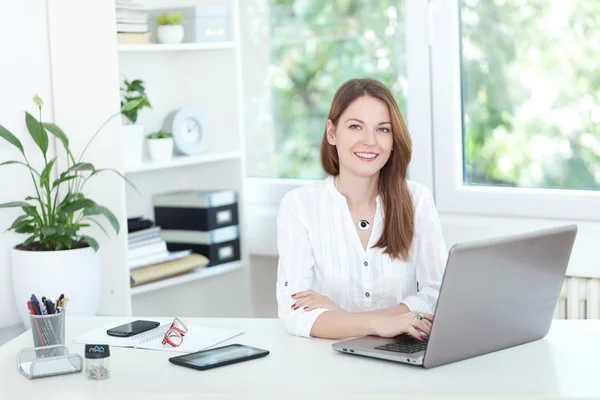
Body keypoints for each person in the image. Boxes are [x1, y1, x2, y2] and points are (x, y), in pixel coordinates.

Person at [275, 78, 448, 340]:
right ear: (331, 133)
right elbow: (295, 312)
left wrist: (342, 317)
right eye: (356, 126)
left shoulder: (417, 201)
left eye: (383, 129)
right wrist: (378, 324)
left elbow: (437, 296)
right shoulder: (299, 206)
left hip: (402, 357)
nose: (370, 141)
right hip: (324, 364)